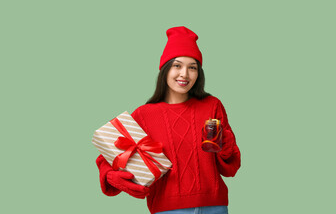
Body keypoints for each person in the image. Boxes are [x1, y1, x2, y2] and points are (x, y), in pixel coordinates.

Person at [95, 26, 241, 214]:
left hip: (215, 206)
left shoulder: (212, 105)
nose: (184, 74)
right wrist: (109, 175)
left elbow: (230, 167)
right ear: (165, 69)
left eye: (192, 67)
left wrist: (226, 145)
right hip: (167, 210)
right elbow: (108, 153)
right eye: (177, 65)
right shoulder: (143, 114)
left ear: (199, 73)